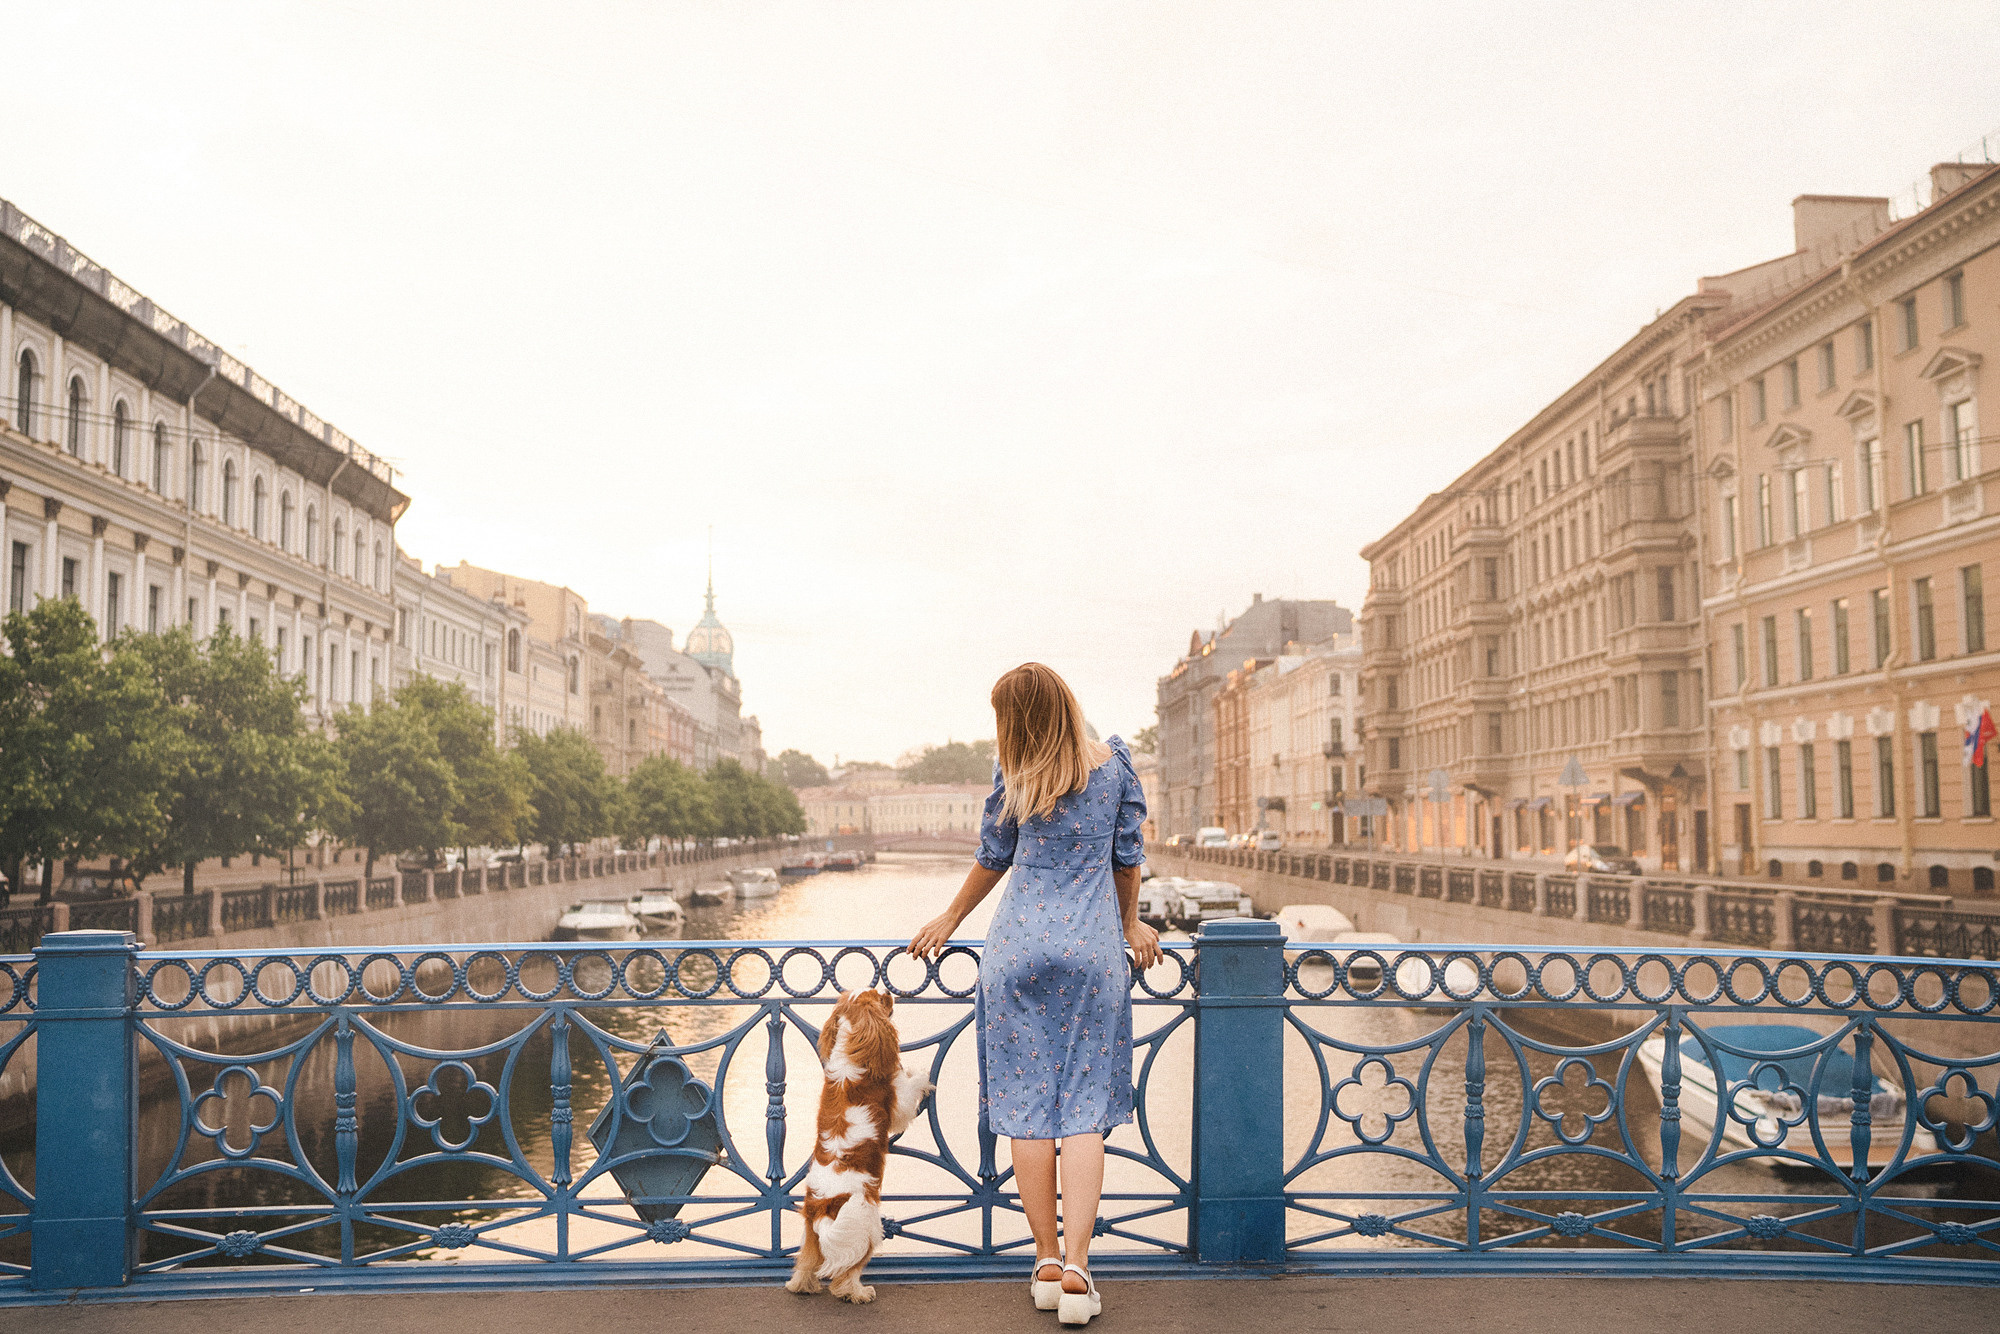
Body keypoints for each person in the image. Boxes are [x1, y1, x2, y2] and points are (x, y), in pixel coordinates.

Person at [909, 662, 1162, 1327]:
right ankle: (1078, 1272)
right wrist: (1130, 924)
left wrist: (949, 920)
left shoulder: (1016, 778)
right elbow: (1126, 861)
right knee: (1081, 1113)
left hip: (1016, 950)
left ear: (1013, 723)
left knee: (1027, 1111)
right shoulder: (1115, 771)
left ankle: (1045, 1259)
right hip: (1090, 953)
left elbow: (993, 855)